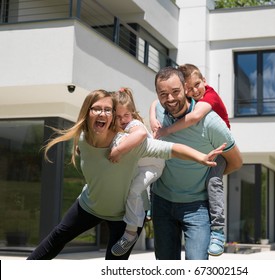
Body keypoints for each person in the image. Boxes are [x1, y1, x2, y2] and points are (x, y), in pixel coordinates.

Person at [26, 89, 226, 260]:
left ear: (113, 116)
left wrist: (200, 157)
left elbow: (171, 148)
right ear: (87, 113)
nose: (102, 113)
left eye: (107, 110)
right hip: (89, 205)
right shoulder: (84, 138)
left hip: (123, 217)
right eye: (97, 108)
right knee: (55, 239)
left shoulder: (128, 144)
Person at [151, 66, 242, 260]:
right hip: (161, 202)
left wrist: (209, 174)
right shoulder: (159, 111)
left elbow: (236, 161)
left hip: (197, 207)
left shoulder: (210, 122)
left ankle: (219, 231)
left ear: (185, 88)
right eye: (163, 94)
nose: (170, 99)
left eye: (175, 92)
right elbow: (153, 106)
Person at [109, 88, 165, 256]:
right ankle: (144, 208)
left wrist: (117, 151)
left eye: (126, 115)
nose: (122, 120)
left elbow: (140, 134)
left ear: (132, 113)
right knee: (132, 191)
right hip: (139, 166)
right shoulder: (118, 129)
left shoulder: (135, 124)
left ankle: (131, 233)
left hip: (153, 166)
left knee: (134, 191)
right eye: (118, 117)